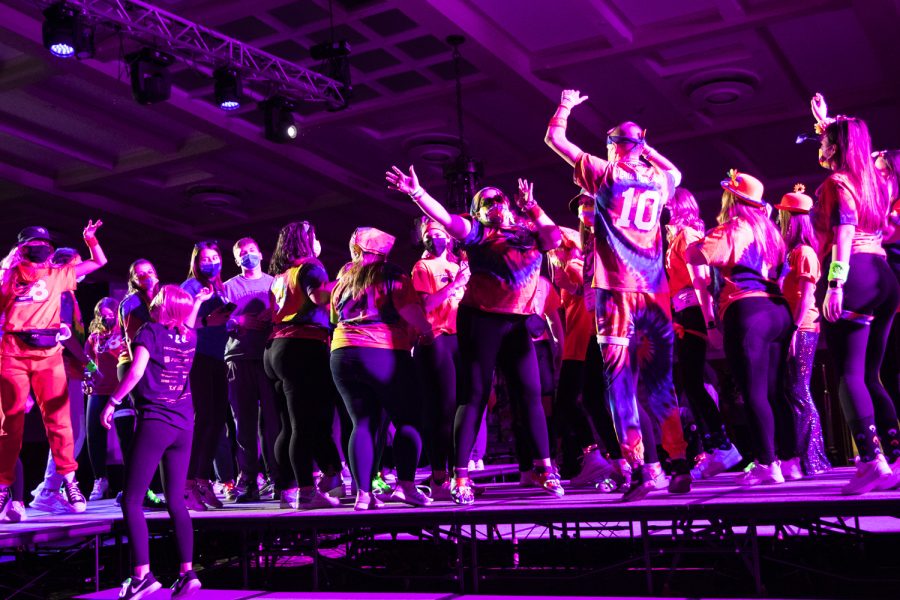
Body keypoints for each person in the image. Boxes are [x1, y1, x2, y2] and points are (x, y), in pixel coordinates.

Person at [545, 89, 691, 501]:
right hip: (655, 290)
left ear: (612, 147)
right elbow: (676, 172)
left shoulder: (605, 173)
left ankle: (645, 469)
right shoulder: (660, 179)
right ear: (641, 146)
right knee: (661, 382)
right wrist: (645, 146)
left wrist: (566, 107)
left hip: (616, 289)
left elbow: (555, 140)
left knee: (620, 386)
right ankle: (678, 464)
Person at [386, 166, 564, 506]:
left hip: (516, 322)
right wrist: (416, 193)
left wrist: (534, 205)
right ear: (478, 210)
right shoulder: (479, 233)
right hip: (481, 320)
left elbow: (553, 239)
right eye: (486, 201)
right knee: (476, 395)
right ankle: (461, 475)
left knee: (530, 392)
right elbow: (447, 219)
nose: (495, 203)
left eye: (500, 199)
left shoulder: (528, 231)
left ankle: (545, 468)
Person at [809, 94, 900, 492]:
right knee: (869, 374)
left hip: (855, 274)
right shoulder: (877, 182)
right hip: (884, 275)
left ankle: (869, 460)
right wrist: (828, 122)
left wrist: (836, 282)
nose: (820, 145)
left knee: (848, 374)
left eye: (826, 141)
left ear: (836, 147)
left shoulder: (838, 182)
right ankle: (894, 457)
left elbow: (844, 229)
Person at [686, 170, 797, 486]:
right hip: (777, 311)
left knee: (754, 392)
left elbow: (695, 255)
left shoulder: (733, 229)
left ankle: (766, 464)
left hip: (747, 310)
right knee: (776, 391)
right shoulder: (771, 232)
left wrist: (696, 235)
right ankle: (789, 460)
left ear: (732, 198)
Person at [101, 285, 211, 599]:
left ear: (163, 307)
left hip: (155, 422)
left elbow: (135, 371)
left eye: (159, 300)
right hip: (183, 424)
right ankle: (187, 572)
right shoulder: (189, 337)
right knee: (176, 500)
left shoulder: (150, 332)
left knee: (131, 500)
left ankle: (141, 576)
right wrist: (199, 302)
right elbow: (188, 321)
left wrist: (113, 402)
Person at [0, 221, 105, 519]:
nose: (43, 248)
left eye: (45, 244)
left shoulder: (58, 274)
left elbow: (99, 262)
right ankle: (4, 486)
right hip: (13, 353)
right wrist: (8, 268)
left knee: (59, 421)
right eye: (35, 243)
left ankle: (70, 482)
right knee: (10, 424)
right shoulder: (8, 276)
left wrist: (90, 239)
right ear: (22, 248)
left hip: (48, 355)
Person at [330, 226, 434, 510]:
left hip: (342, 352)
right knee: (408, 419)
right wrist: (426, 330)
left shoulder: (343, 276)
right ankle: (407, 487)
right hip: (382, 350)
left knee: (362, 423)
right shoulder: (392, 273)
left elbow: (332, 315)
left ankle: (364, 495)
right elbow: (409, 309)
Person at [664, 188, 742, 479]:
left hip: (694, 312)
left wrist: (710, 323)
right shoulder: (678, 238)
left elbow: (701, 281)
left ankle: (721, 446)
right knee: (690, 382)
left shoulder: (688, 236)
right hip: (684, 312)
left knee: (692, 381)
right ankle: (715, 448)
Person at [265, 221, 343, 509]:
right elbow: (319, 298)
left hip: (275, 348)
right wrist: (343, 284)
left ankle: (286, 489)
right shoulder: (310, 268)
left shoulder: (280, 276)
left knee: (287, 426)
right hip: (302, 345)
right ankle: (307, 491)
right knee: (304, 425)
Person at [775, 185, 832, 476]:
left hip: (804, 327)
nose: (779, 220)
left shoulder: (805, 253)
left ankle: (814, 458)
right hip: (792, 326)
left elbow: (807, 296)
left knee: (800, 390)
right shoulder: (792, 253)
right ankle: (805, 456)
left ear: (792, 219)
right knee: (793, 391)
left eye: (783, 216)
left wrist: (794, 331)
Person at [411, 217, 469, 500]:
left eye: (439, 233)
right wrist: (454, 284)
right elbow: (427, 304)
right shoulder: (422, 267)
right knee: (442, 409)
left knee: (462, 407)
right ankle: (439, 477)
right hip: (436, 339)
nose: (434, 238)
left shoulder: (459, 265)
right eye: (429, 234)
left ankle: (459, 477)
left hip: (459, 338)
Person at [222, 237, 280, 503]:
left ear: (261, 253)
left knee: (273, 422)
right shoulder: (228, 287)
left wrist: (273, 315)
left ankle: (277, 477)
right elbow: (216, 322)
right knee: (243, 423)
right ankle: (248, 480)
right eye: (242, 253)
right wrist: (236, 321)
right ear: (236, 259)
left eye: (252, 251)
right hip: (238, 358)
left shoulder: (273, 282)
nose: (248, 255)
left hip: (268, 357)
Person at [181, 241, 230, 510]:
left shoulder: (220, 288)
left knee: (216, 421)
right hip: (197, 358)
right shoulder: (190, 287)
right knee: (202, 421)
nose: (210, 262)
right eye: (204, 259)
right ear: (196, 263)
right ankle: (187, 485)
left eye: (214, 257)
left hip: (217, 357)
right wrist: (206, 322)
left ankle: (202, 480)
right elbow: (178, 322)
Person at [116, 259, 167, 510]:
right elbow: (136, 340)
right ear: (132, 280)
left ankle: (140, 487)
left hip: (156, 364)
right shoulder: (132, 303)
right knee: (144, 427)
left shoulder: (164, 297)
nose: (145, 276)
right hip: (134, 364)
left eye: (149, 272)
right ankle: (138, 490)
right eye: (139, 274)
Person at [84, 297, 128, 500]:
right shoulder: (95, 337)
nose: (106, 316)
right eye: (102, 313)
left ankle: (132, 482)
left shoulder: (125, 331)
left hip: (121, 391)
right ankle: (100, 480)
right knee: (94, 435)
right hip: (99, 391)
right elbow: (88, 362)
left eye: (110, 312)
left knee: (125, 436)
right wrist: (89, 376)